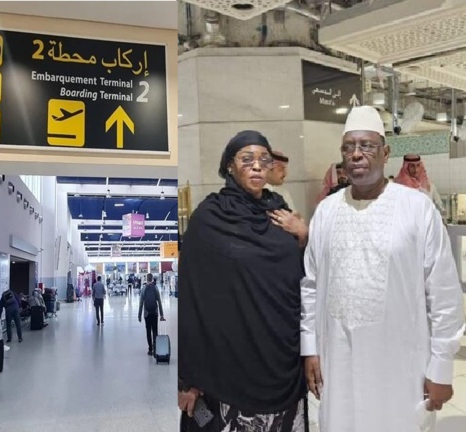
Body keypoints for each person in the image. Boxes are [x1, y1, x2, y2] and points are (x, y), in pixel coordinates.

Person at [301, 106, 465, 432]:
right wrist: (311, 349)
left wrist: (442, 366)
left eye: (367, 146)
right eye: (348, 147)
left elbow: (444, 294)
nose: (356, 155)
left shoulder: (417, 209)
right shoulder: (326, 213)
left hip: (401, 368)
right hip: (339, 362)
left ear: (386, 152)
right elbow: (311, 285)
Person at [178, 130, 308, 432]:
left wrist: (303, 235)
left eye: (264, 159)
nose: (257, 166)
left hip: (280, 355)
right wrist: (187, 378)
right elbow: (192, 295)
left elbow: (302, 276)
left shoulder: (280, 211)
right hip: (229, 359)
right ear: (229, 167)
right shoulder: (209, 219)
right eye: (246, 159)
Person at [138, 273, 165, 356]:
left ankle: (150, 349)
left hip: (147, 313)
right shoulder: (155, 288)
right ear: (152, 279)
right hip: (155, 312)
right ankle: (155, 348)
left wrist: (139, 315)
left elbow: (141, 302)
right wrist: (161, 314)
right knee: (155, 330)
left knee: (148, 331)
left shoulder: (144, 288)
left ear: (146, 279)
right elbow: (159, 301)